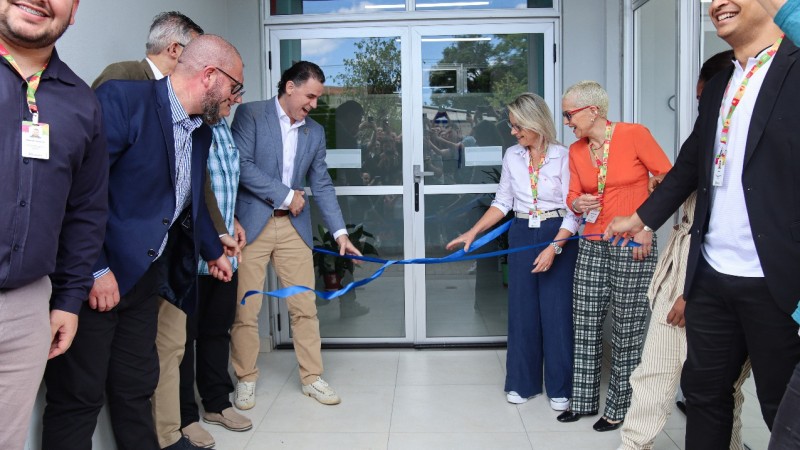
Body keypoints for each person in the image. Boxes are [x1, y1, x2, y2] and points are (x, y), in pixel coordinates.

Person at [604, 1, 800, 448]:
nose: (715, 4)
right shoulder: (719, 86)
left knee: (781, 410)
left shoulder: (795, 66)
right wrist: (642, 218)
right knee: (704, 396)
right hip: (711, 276)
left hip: (780, 282)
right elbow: (691, 163)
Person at [42, 35, 239, 450]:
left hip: (143, 279)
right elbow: (74, 193)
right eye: (235, 88)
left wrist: (212, 251)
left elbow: (185, 203)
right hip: (91, 280)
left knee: (136, 385)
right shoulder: (122, 100)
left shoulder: (200, 134)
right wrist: (95, 270)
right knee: (79, 396)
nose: (235, 100)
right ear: (209, 77)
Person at [617, 50, 756, 450]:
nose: (704, 108)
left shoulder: (755, 147)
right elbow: (682, 180)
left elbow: (726, 227)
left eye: (706, 98)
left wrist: (689, 292)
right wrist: (644, 218)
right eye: (701, 101)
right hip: (688, 267)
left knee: (719, 387)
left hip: (709, 279)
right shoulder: (708, 136)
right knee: (663, 377)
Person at [0, 1, 108, 448]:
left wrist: (67, 300)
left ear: (74, 11)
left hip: (28, 308)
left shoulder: (81, 101)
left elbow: (85, 211)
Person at [230, 61, 362, 410]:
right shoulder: (250, 115)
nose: (314, 105)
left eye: (317, 98)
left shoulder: (314, 132)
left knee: (304, 306)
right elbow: (241, 165)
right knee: (247, 307)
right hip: (252, 224)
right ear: (290, 87)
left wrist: (340, 233)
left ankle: (311, 378)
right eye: (310, 96)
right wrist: (287, 196)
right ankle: (245, 379)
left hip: (294, 228)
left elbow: (321, 182)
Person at [446, 93, 579, 409]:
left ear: (536, 124)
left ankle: (560, 387)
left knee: (557, 312)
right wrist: (473, 232)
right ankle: (522, 382)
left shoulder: (565, 156)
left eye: (518, 126)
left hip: (558, 232)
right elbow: (502, 202)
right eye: (512, 125)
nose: (513, 132)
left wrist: (554, 247)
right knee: (522, 311)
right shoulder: (512, 156)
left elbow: (574, 210)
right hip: (521, 233)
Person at [556, 81, 671, 432]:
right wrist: (576, 203)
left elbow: (667, 180)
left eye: (569, 114)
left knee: (628, 327)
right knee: (586, 321)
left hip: (631, 243)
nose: (566, 122)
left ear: (593, 111)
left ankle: (619, 406)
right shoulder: (576, 151)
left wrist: (647, 227)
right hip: (591, 240)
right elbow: (573, 194)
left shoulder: (635, 135)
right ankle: (583, 400)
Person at [179, 119, 252, 449]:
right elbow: (192, 190)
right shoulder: (186, 124)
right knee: (183, 339)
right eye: (232, 89)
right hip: (192, 253)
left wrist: (232, 218)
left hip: (226, 252)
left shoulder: (222, 128)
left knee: (218, 329)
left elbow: (225, 184)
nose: (235, 99)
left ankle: (217, 404)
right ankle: (184, 418)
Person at [91, 11, 202, 88]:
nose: (200, 62)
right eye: (195, 53)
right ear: (173, 49)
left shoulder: (174, 91)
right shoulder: (123, 75)